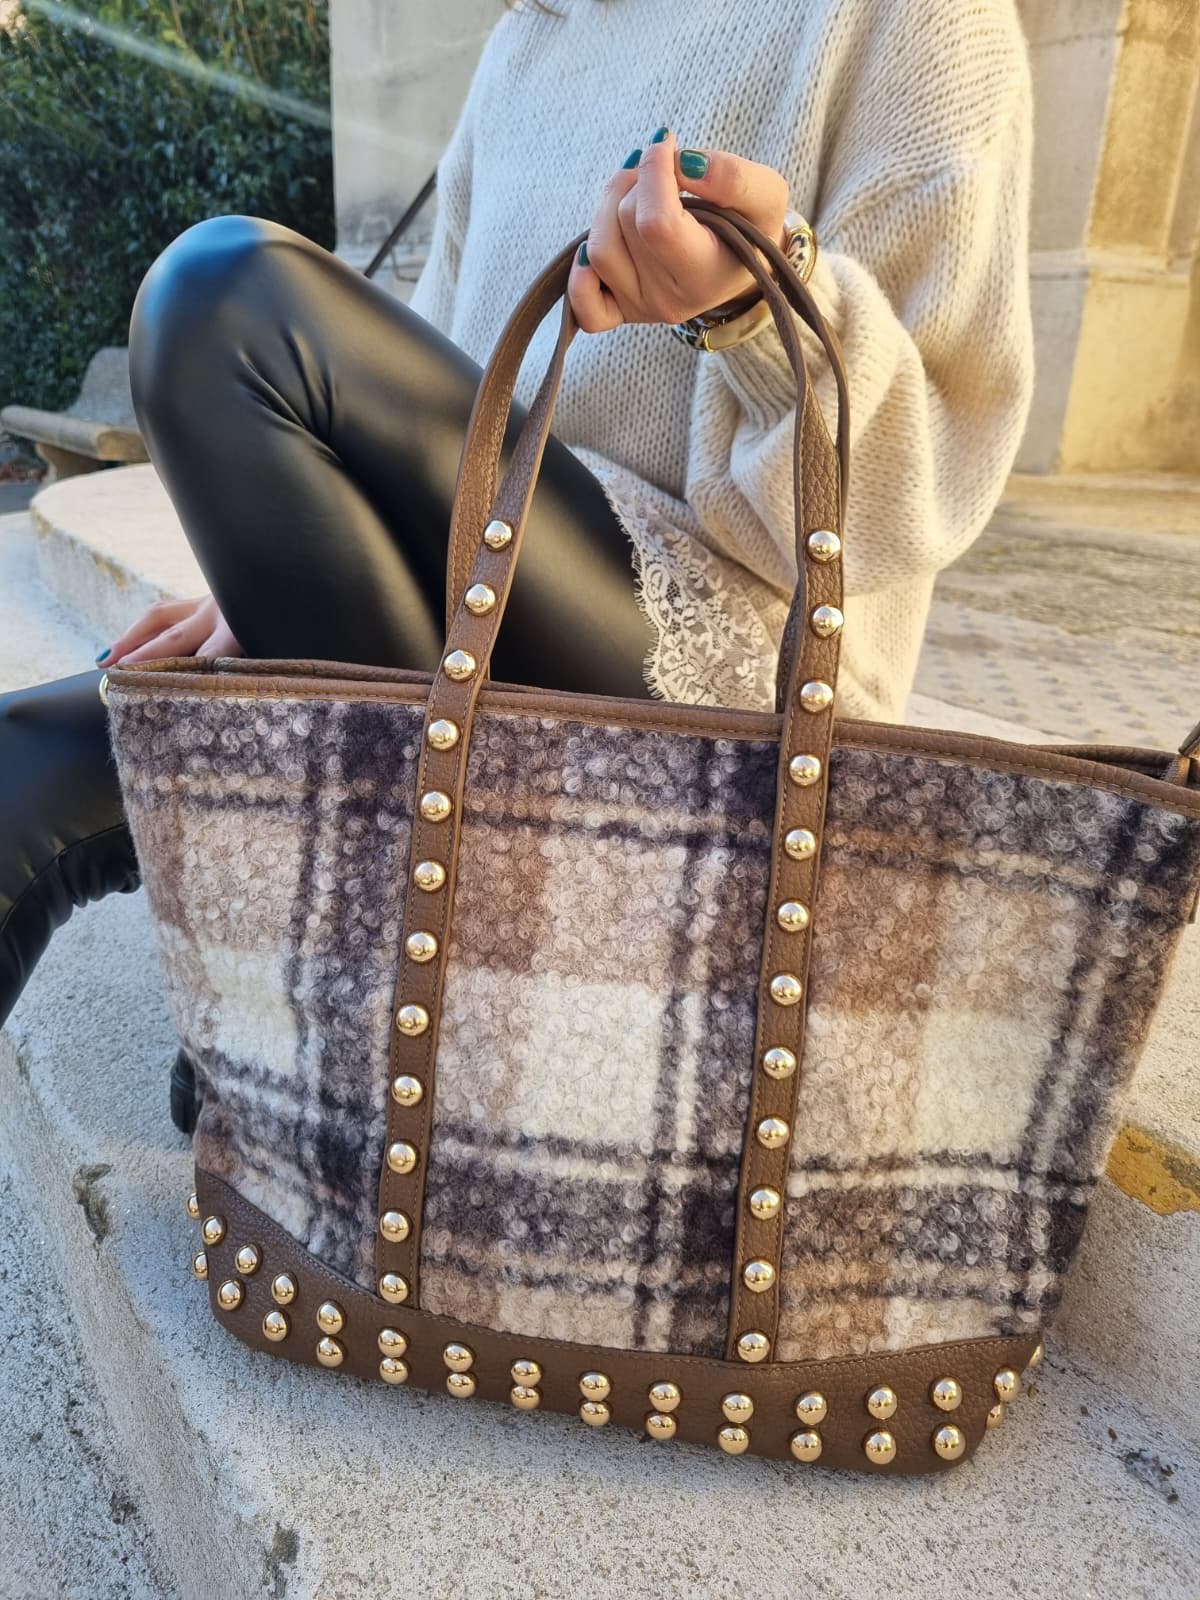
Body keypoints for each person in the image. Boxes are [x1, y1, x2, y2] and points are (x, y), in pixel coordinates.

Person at [0, 0, 1035, 1128]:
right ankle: (354, 1004)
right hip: (472, 619)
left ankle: (341, 1003)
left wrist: (751, 308)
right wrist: (283, 563)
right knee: (30, 768)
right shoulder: (532, 39)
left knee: (226, 299)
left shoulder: (909, 19)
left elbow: (916, 489)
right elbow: (430, 385)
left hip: (726, 707)